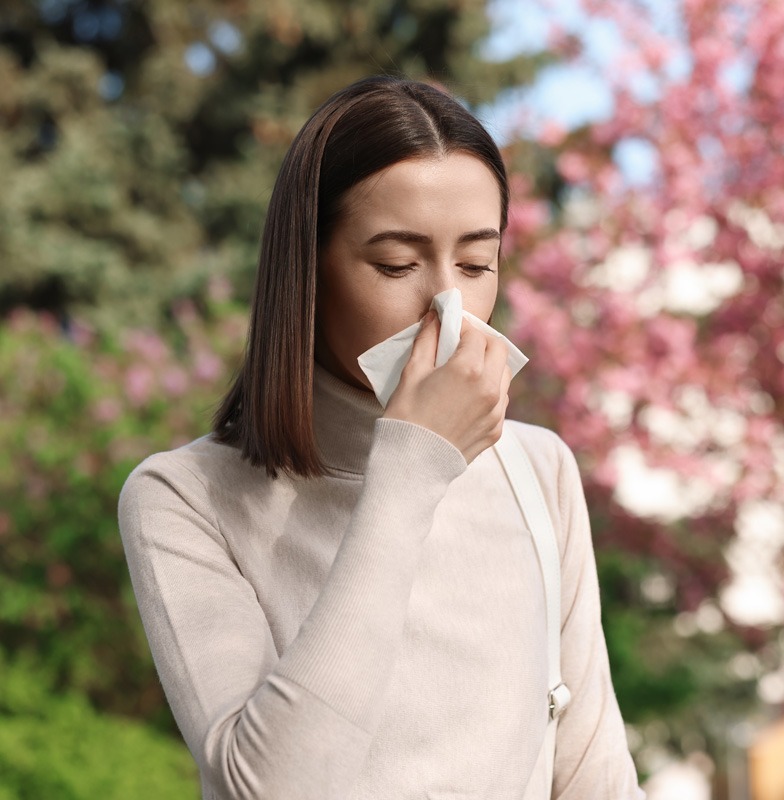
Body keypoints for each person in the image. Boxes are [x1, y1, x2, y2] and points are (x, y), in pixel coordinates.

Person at [118, 75, 644, 800]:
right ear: (309, 272)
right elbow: (268, 789)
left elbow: (597, 781)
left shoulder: (537, 470)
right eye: (396, 264)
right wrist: (409, 469)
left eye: (475, 264)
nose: (447, 306)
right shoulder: (185, 498)